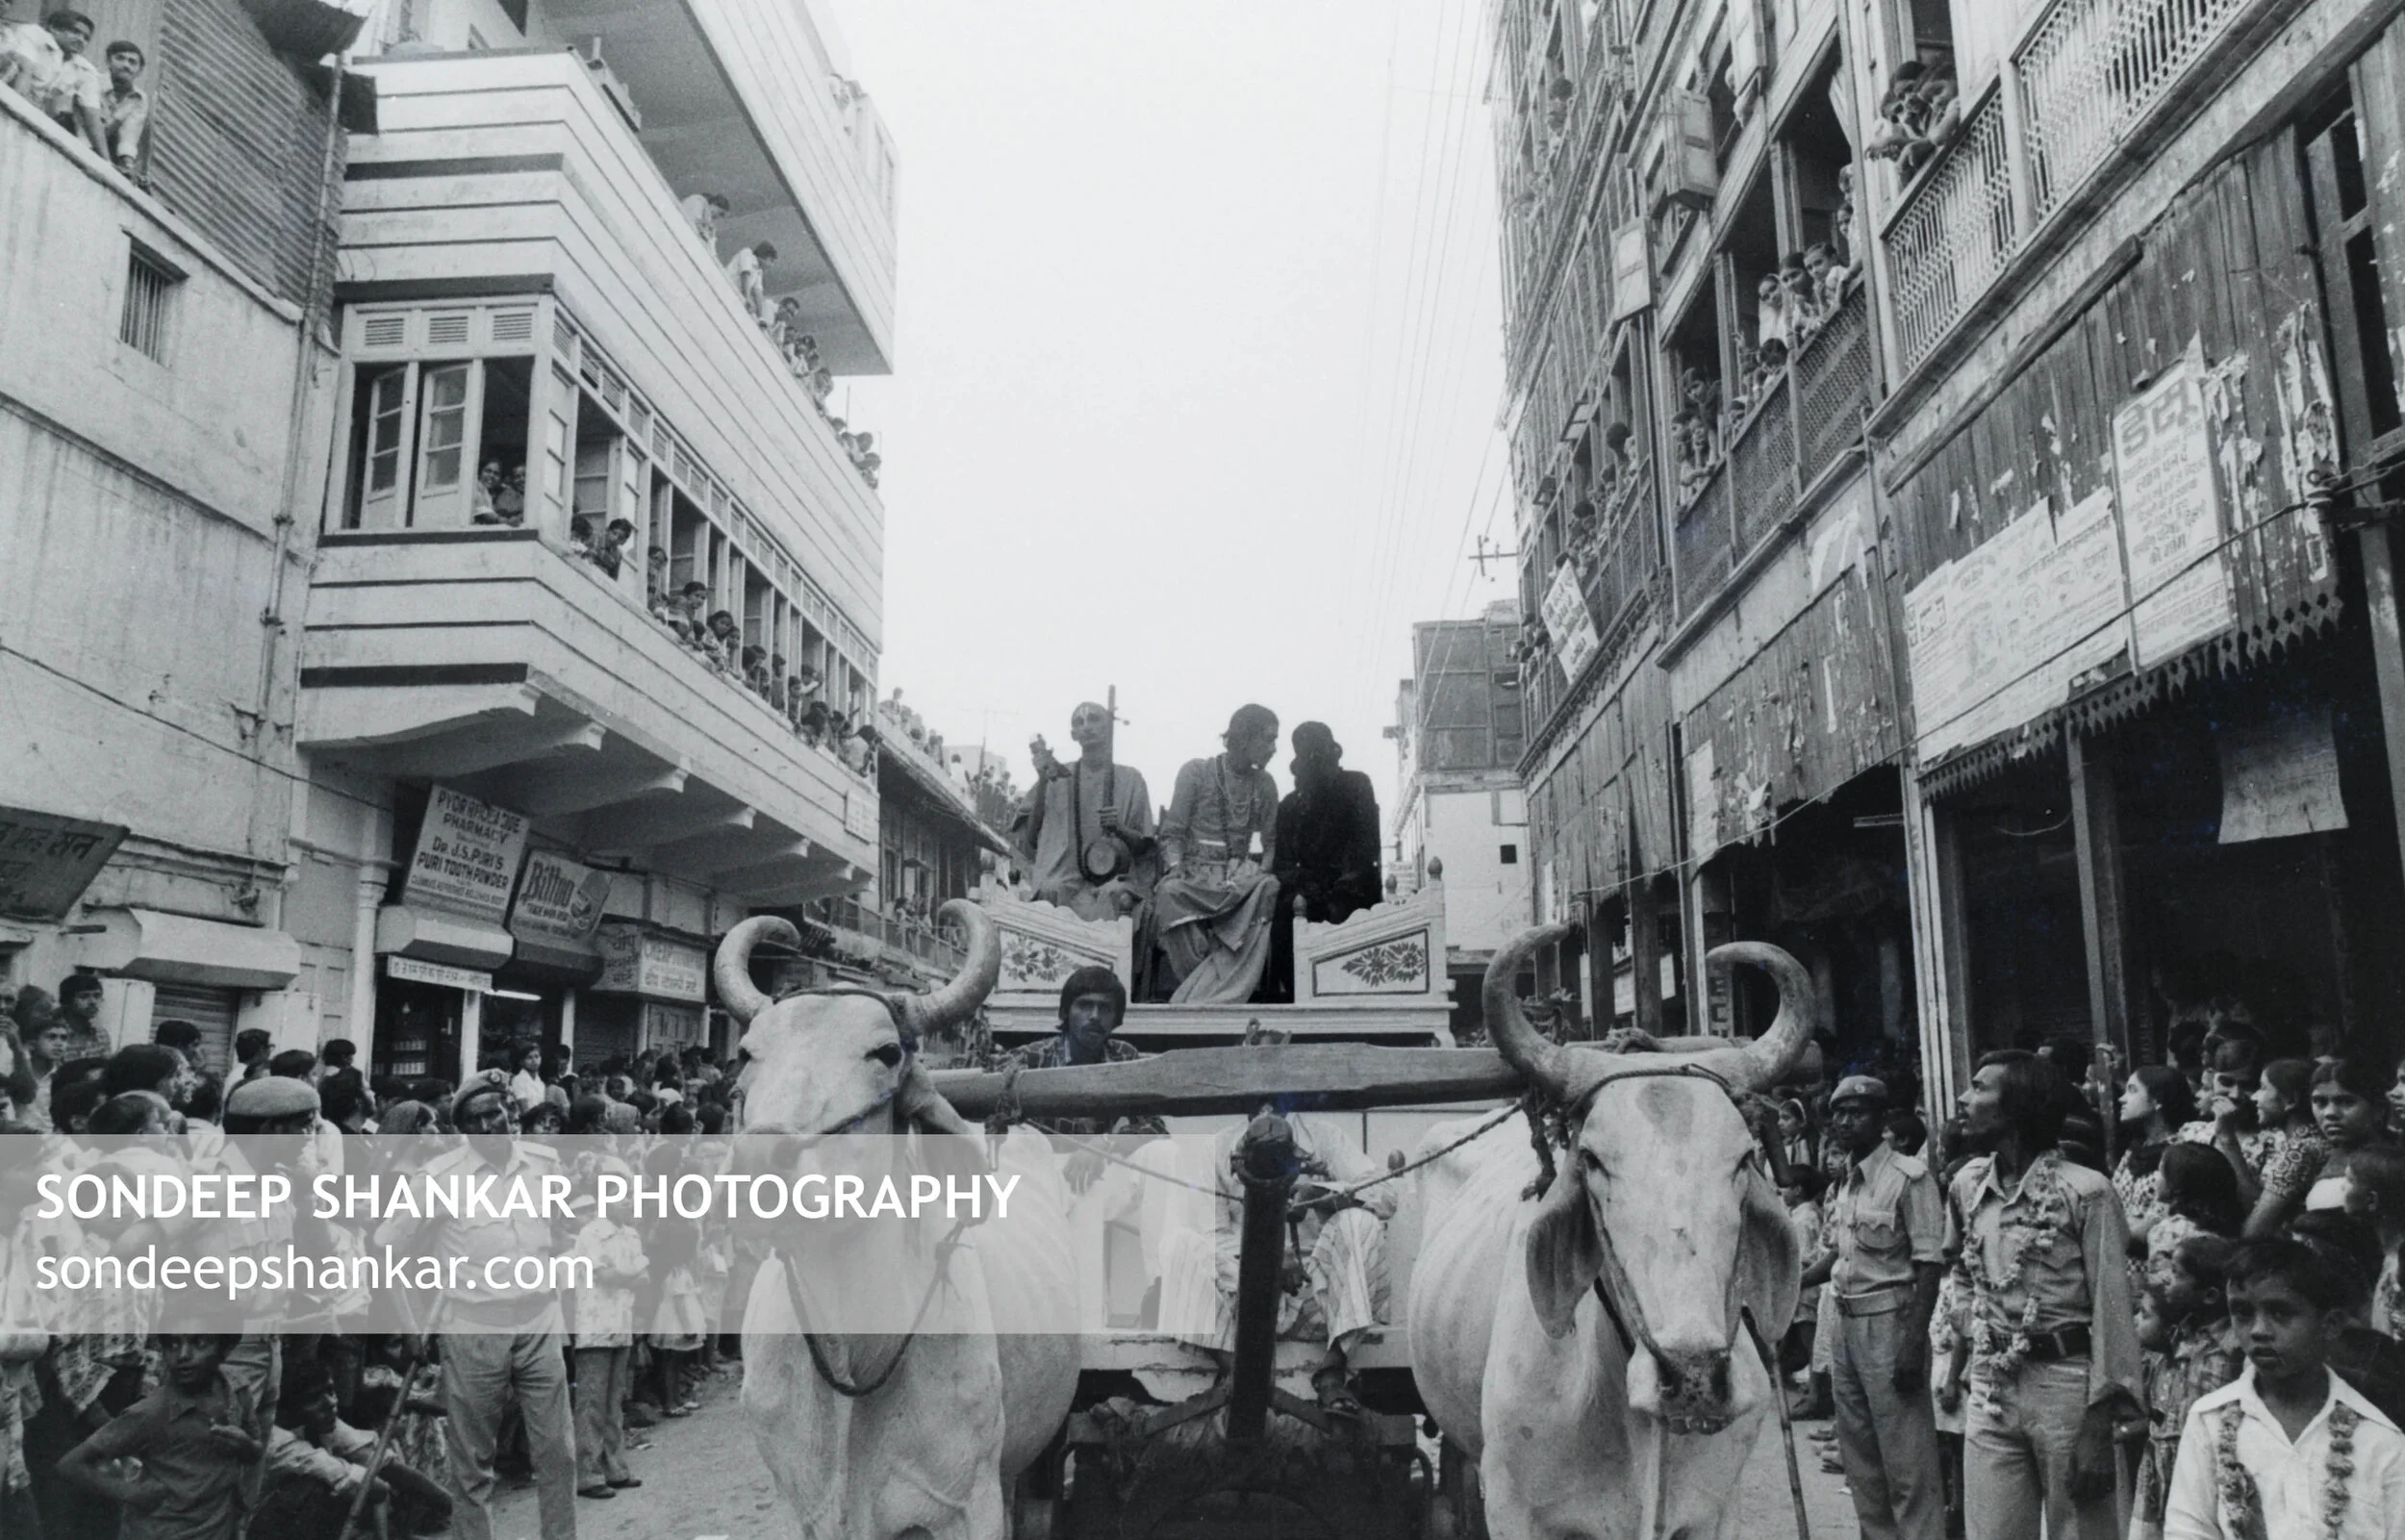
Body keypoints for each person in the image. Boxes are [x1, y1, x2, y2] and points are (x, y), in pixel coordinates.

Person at [1941, 1050, 2141, 1540]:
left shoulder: (2087, 1192)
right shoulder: (1966, 1185)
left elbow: (2113, 1310)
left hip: (2068, 1387)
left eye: (1980, 1088)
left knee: (2083, 1530)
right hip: (1992, 1385)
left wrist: (2099, 1423)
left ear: (2018, 1108)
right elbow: (1962, 1272)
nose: (1964, 1100)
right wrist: (1980, 1334)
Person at [375, 1071, 576, 1540]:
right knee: (474, 1467)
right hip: (472, 1328)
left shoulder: (544, 1163)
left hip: (539, 1322)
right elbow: (386, 1251)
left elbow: (561, 1230)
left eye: (496, 1113)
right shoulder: (439, 1179)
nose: (490, 1126)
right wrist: (407, 1327)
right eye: (476, 1119)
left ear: (510, 1111)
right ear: (462, 1128)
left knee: (558, 1453)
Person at [1176, 1024, 1395, 1416]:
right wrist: (1267, 1266)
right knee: (1182, 1243)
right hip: (1242, 1303)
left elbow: (1384, 1196)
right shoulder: (1218, 1149)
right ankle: (1233, 1373)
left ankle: (1332, 1372)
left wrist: (1324, 1194)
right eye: (1254, 1083)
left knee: (1359, 1224)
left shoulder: (1325, 1138)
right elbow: (1211, 1234)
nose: (1264, 1098)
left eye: (1274, 1082)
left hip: (1319, 1301)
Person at [2164, 1236, 2405, 1539]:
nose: (2259, 1330)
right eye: (2243, 1312)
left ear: (2330, 1325)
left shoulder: (2379, 1440)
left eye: (2280, 1313)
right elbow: (2187, 1531)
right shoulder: (2209, 1421)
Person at [1804, 1074, 1946, 1540]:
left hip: (1891, 1324)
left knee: (1907, 1464)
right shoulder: (1847, 1179)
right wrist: (1793, 1283)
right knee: (1862, 1463)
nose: (1845, 1122)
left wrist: (1911, 1343)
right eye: (1839, 1113)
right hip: (1846, 1324)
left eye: (1857, 1112)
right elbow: (1840, 1256)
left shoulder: (1910, 1178)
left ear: (1882, 1119)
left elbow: (1928, 1265)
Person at [57, 1333, 269, 1540]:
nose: (183, 1355)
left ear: (226, 1347)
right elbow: (71, 1465)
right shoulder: (152, 1412)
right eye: (173, 1344)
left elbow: (255, 1450)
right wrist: (132, 1493)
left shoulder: (237, 1390)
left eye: (200, 1342)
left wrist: (246, 1446)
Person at [1152, 705, 1283, 1003]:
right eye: (1268, 739)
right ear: (1243, 738)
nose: (1274, 749)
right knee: (1169, 892)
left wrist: (1261, 871)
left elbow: (1271, 842)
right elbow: (1173, 833)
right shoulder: (1196, 772)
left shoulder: (1265, 784)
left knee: (1269, 886)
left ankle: (1217, 990)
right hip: (1195, 874)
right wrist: (1175, 867)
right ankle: (1204, 989)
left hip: (1239, 877)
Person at [1266, 721, 1381, 1001]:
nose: (1315, 763)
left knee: (1341, 910)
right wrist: (1304, 884)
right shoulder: (1290, 805)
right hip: (1305, 892)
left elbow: (1367, 846)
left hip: (1351, 886)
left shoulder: (1357, 785)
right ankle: (1297, 999)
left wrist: (1339, 885)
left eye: (1320, 755)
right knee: (1284, 920)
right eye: (1309, 756)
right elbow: (1282, 863)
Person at [1012, 701, 1158, 922]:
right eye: (1079, 722)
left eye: (1094, 719)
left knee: (1117, 896)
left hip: (1116, 879)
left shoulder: (1132, 779)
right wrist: (1043, 781)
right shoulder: (1057, 776)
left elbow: (1143, 849)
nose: (1087, 726)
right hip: (1065, 878)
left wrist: (1120, 829)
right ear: (1073, 735)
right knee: (1051, 889)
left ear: (1110, 726)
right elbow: (1031, 840)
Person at [566, 1158, 646, 1499]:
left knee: (615, 1400)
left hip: (620, 1321)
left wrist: (627, 1273)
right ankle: (587, 1472)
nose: (626, 1200)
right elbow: (607, 1275)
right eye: (618, 1194)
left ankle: (615, 1465)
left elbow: (640, 1278)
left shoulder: (630, 1234)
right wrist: (630, 1273)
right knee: (591, 1403)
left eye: (629, 1194)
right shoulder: (591, 1234)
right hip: (595, 1324)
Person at [2243, 1057, 2328, 1235]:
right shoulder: (2310, 1139)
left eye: (2264, 1088)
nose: (2254, 1097)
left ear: (2290, 1101)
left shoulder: (2299, 1150)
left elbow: (2254, 1229)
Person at [2118, 1065, 2201, 1242]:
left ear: (2157, 1100)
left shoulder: (2180, 1153)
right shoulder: (2135, 1148)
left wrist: (2112, 1225)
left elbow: (2149, 1231)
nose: (2121, 1099)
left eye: (2132, 1091)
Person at [98, 38, 143, 178]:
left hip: (107, 147)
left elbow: (130, 133)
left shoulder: (139, 98)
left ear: (139, 71)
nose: (126, 65)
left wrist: (128, 164)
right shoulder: (93, 81)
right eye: (120, 58)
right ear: (108, 62)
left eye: (132, 62)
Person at [724, 240, 776, 325]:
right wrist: (747, 298)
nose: (771, 265)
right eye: (771, 260)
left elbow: (758, 293)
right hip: (726, 286)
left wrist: (761, 317)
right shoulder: (747, 253)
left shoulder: (759, 270)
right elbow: (745, 274)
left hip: (733, 294)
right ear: (763, 256)